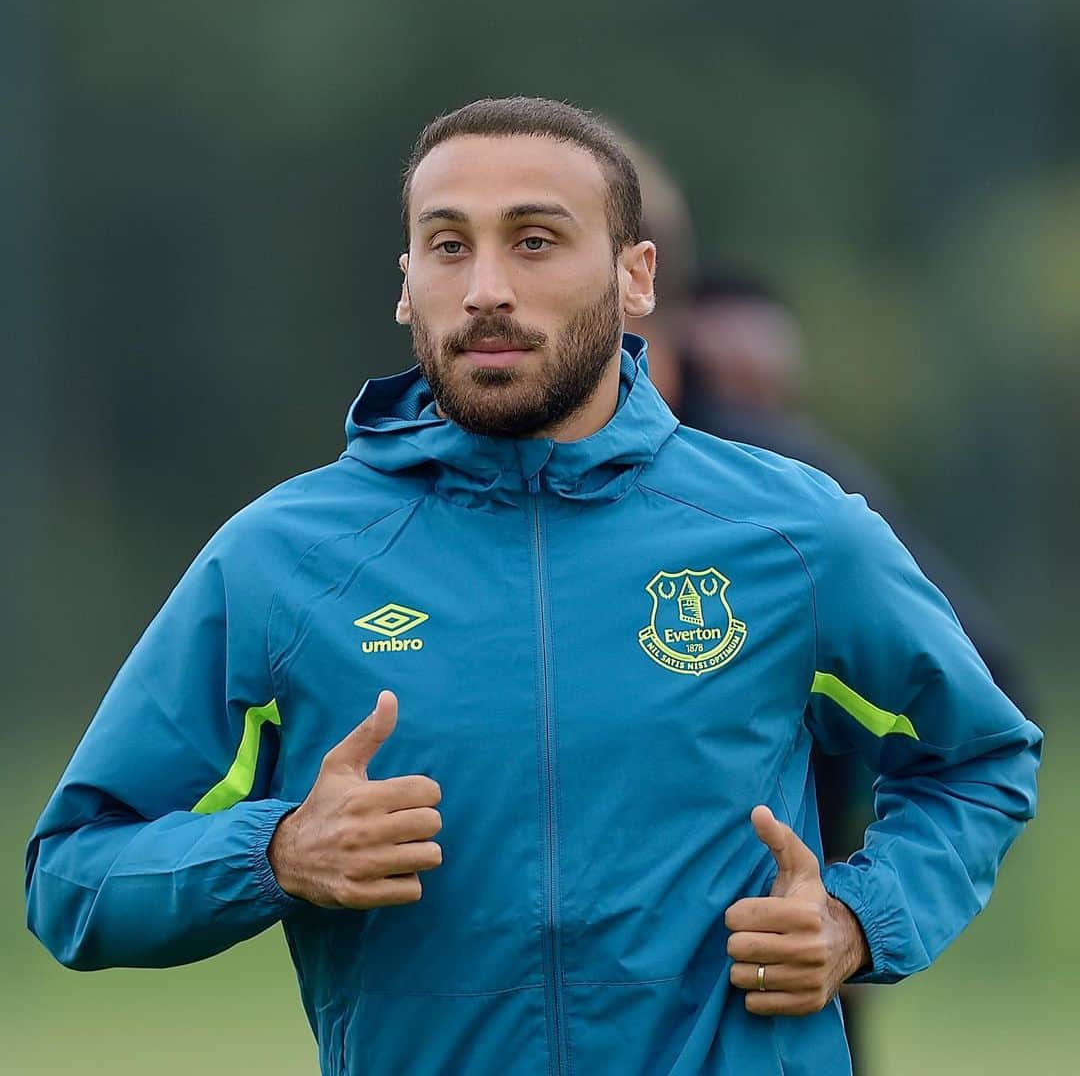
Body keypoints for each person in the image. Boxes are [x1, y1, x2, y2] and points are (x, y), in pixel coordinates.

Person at [25, 97, 1042, 1076]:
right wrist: (277, 852)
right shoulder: (280, 561)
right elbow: (75, 876)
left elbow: (981, 759)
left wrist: (861, 919)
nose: (486, 290)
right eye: (448, 244)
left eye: (537, 240)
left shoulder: (794, 534)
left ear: (636, 277)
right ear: (405, 280)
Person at [672, 268, 1038, 1073]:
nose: (750, 414)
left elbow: (986, 704)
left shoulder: (800, 505)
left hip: (783, 951)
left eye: (770, 390)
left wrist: (855, 904)